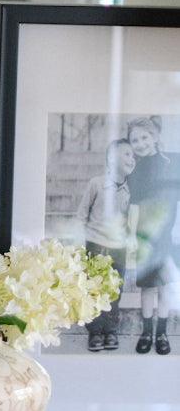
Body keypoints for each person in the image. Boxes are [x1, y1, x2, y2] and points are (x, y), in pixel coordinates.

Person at [125, 116, 179, 355]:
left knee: (165, 286)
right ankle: (147, 332)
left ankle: (162, 333)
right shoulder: (134, 170)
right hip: (145, 235)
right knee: (147, 287)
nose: (140, 143)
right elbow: (134, 206)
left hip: (167, 233)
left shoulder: (172, 161)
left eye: (144, 137)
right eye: (134, 140)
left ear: (155, 136)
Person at [78, 138, 134, 351]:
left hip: (119, 247)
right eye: (127, 154)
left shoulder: (129, 190)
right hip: (95, 245)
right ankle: (95, 332)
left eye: (133, 155)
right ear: (111, 159)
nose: (132, 158)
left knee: (115, 290)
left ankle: (111, 331)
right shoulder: (96, 184)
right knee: (95, 289)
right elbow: (81, 215)